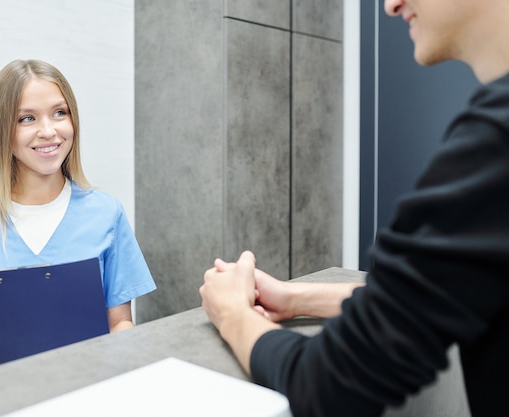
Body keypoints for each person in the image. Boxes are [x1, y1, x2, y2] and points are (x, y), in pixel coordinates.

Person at [200, 0, 509, 415]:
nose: (390, 5)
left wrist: (233, 313)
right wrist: (295, 298)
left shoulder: (497, 142)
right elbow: (438, 293)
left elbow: (330, 386)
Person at [0, 59, 156, 379]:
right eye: (27, 118)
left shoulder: (107, 214)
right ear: (3, 132)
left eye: (59, 113)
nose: (49, 131)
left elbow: (119, 322)